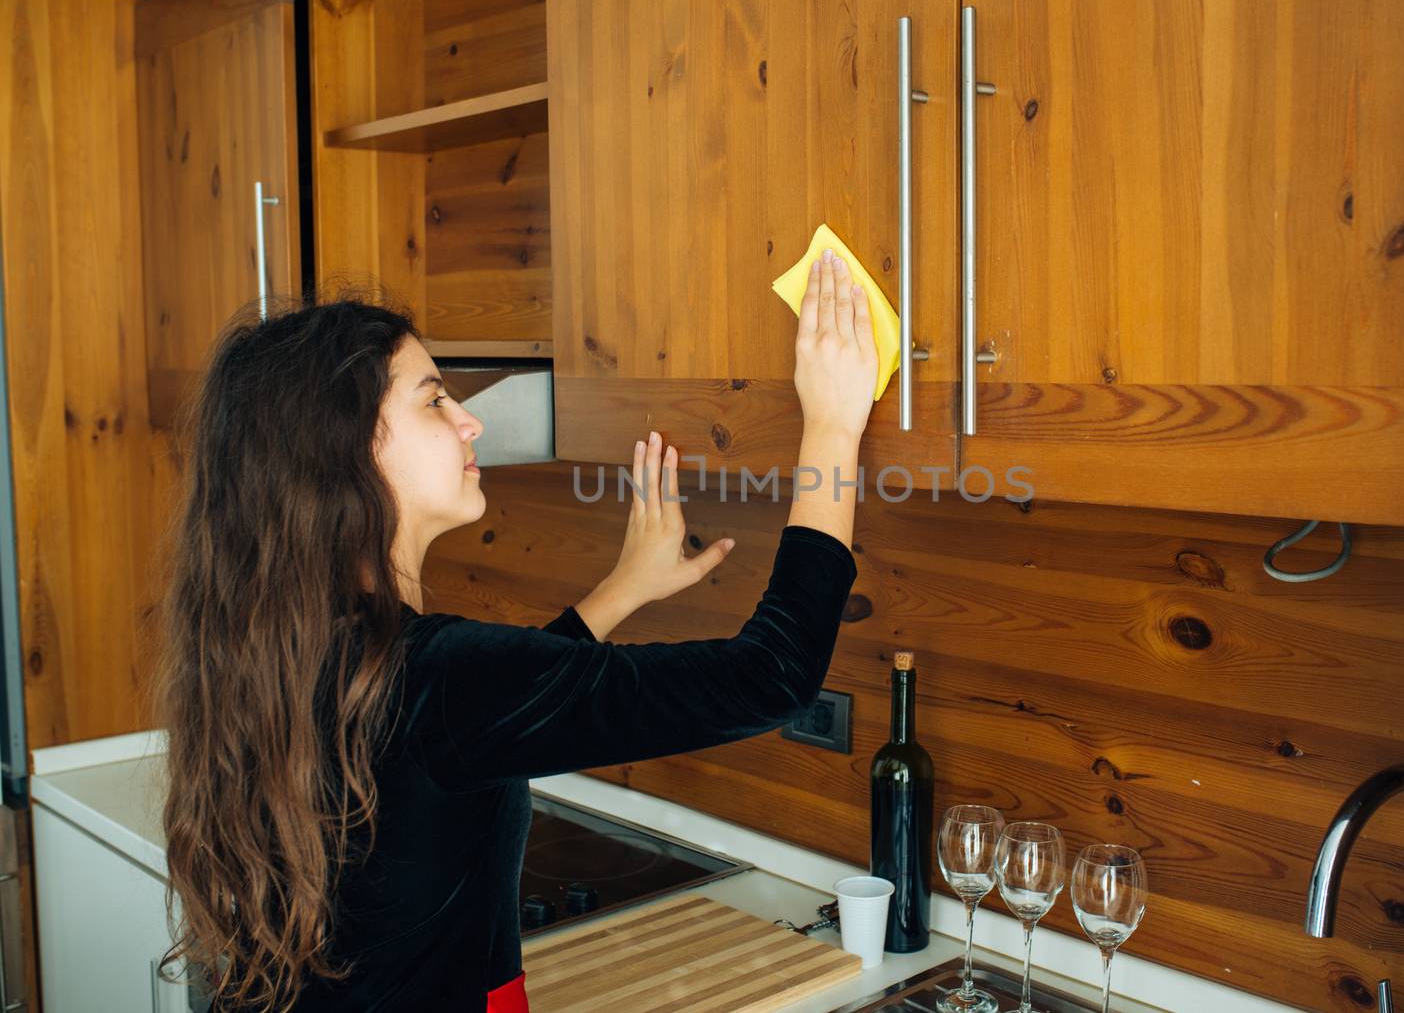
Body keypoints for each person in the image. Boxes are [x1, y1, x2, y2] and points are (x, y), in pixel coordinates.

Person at [154, 252, 878, 1012]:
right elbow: (773, 675)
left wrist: (620, 591)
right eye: (434, 401)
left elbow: (486, 707)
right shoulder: (434, 679)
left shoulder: (289, 649)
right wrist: (832, 427)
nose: (470, 421)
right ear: (347, 450)